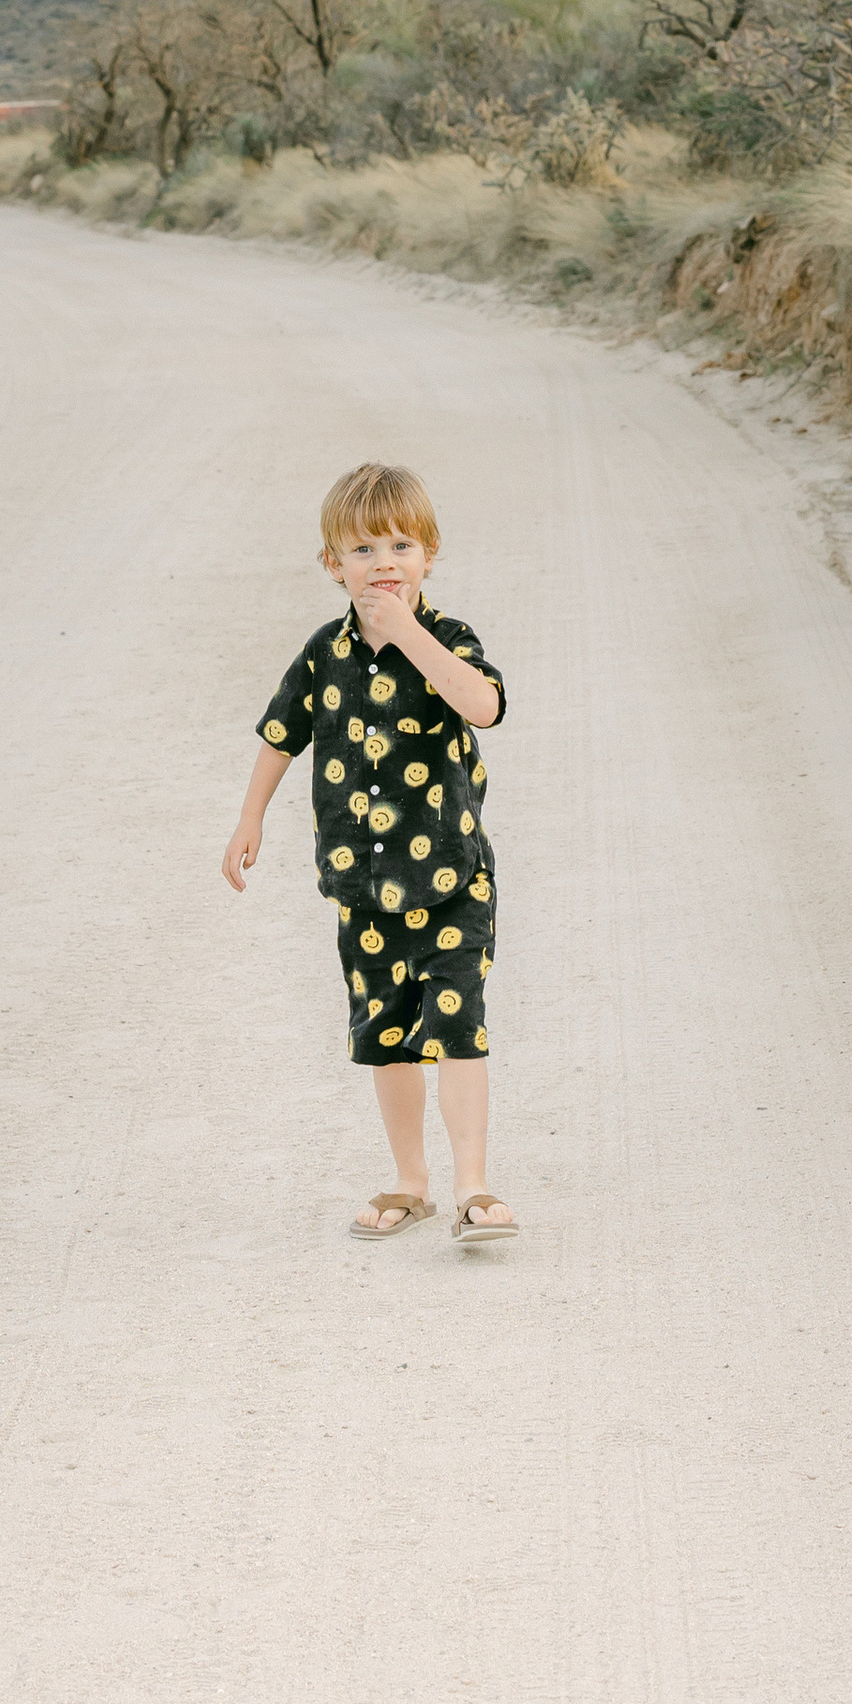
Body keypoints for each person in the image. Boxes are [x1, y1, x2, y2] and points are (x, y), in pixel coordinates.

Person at [221, 459, 519, 1249]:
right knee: (386, 1034)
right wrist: (250, 818)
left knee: (457, 1026)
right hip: (364, 886)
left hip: (454, 877)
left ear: (428, 555)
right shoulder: (325, 654)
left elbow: (483, 705)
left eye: (400, 546)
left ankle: (475, 1186)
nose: (383, 563)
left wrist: (412, 637)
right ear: (332, 566)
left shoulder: (448, 639)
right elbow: (280, 734)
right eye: (362, 551)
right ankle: (411, 1182)